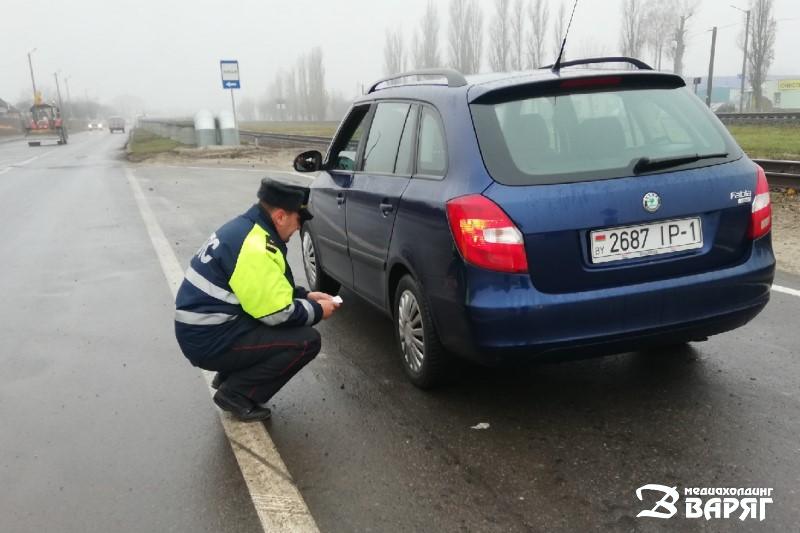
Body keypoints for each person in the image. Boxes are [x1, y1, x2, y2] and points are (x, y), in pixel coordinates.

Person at [174, 178, 340, 422]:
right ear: (281, 216)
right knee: (305, 341)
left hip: (205, 330)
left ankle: (229, 375)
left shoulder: (247, 229)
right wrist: (318, 310)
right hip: (208, 339)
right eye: (298, 221)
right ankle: (236, 393)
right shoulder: (255, 246)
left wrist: (304, 295)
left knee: (268, 321)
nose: (298, 229)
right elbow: (278, 314)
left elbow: (262, 290)